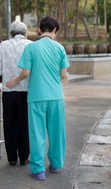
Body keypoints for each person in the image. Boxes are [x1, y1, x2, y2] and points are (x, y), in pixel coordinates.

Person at [6, 16, 70, 180]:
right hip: (56, 96)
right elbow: (64, 74)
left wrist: (15, 80)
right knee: (56, 132)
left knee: (37, 133)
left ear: (40, 30)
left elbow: (26, 72)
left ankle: (38, 170)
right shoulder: (60, 48)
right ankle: (56, 165)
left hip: (36, 96)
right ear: (54, 30)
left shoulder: (31, 48)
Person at [0, 21, 32, 166]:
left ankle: (11, 158)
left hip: (8, 90)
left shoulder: (4, 45)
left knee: (9, 124)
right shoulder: (30, 45)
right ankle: (24, 157)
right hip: (25, 90)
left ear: (11, 34)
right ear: (25, 33)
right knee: (24, 123)